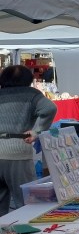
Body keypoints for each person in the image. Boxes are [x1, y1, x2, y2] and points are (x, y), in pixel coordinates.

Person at [0, 65, 57, 215]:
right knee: (27, 202)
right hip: (18, 152)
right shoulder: (32, 94)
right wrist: (37, 131)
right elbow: (50, 108)